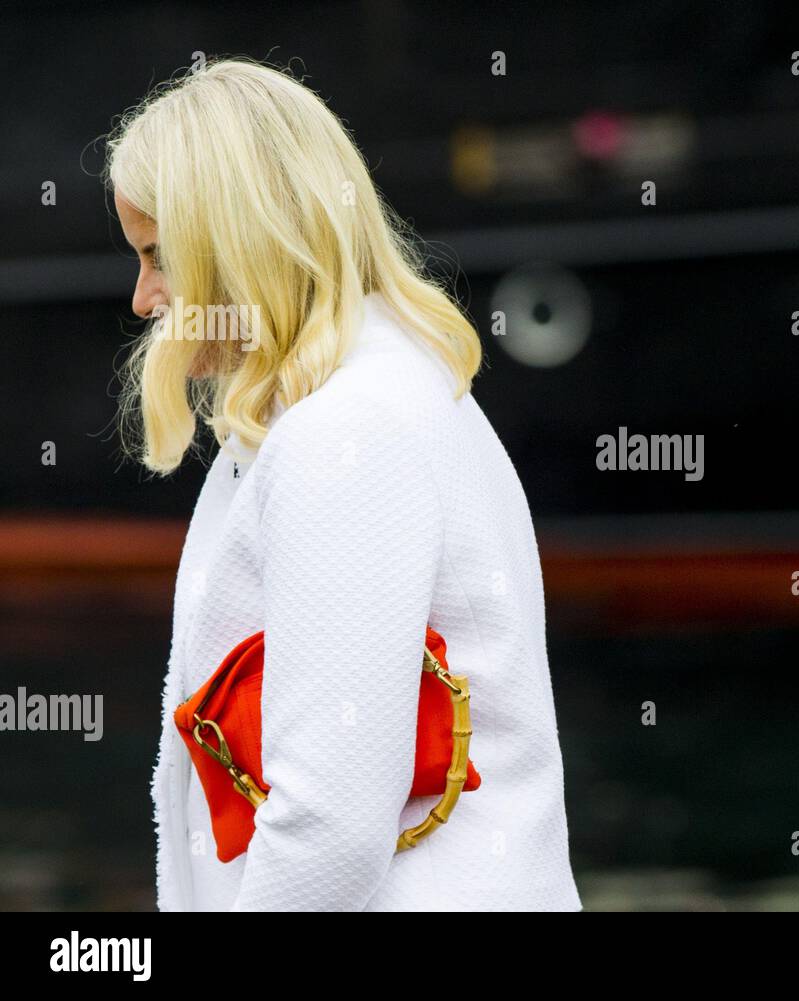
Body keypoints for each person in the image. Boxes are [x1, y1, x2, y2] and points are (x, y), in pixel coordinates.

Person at [103, 56, 582, 911]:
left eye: (158, 256)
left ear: (237, 237)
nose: (144, 298)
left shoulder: (344, 431)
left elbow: (328, 826)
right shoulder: (381, 392)